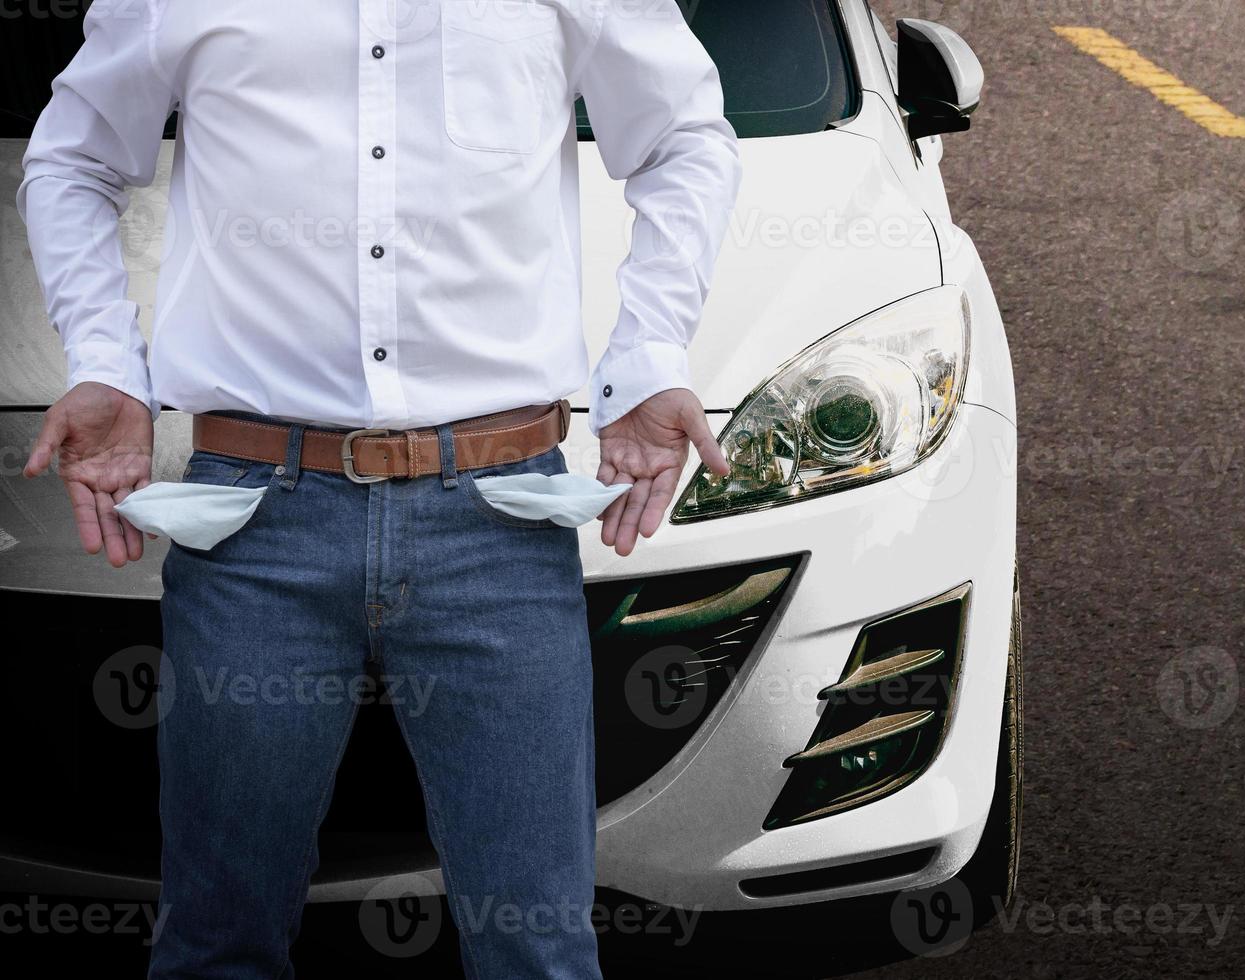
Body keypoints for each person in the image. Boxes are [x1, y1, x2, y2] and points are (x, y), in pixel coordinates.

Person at [15, 1, 741, 976]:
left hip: (499, 520)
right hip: (255, 529)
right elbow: (73, 157)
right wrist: (105, 357)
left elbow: (685, 137)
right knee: (216, 942)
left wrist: (649, 352)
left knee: (537, 945)